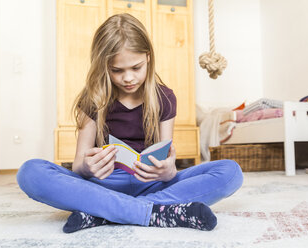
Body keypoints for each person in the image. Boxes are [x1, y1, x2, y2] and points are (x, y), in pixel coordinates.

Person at [17, 13, 243, 233]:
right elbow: (78, 165)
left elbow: (166, 160)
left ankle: (102, 212)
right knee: (30, 172)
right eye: (117, 70)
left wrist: (168, 171)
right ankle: (153, 212)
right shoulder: (94, 98)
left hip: (152, 184)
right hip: (101, 184)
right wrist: (87, 167)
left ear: (147, 57)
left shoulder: (164, 97)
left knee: (230, 172)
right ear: (104, 66)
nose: (128, 78)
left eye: (136, 68)